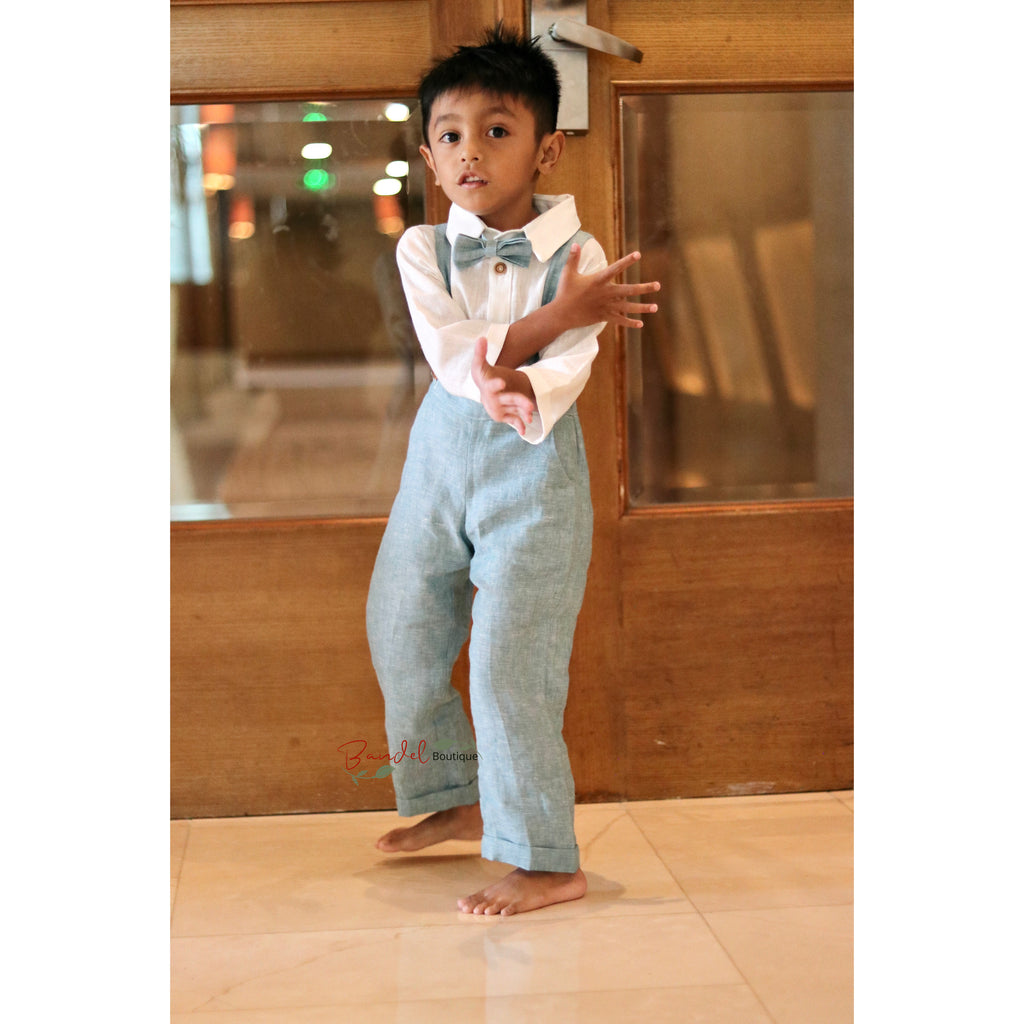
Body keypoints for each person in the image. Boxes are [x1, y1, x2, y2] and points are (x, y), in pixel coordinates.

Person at [365, 24, 659, 916]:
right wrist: (519, 344)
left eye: (496, 131)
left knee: (509, 665)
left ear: (547, 148)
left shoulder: (582, 259)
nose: (469, 152)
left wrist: (522, 368)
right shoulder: (422, 248)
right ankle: (452, 797)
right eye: (450, 135)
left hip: (533, 481)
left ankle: (545, 856)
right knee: (399, 625)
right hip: (438, 471)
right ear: (428, 155)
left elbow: (567, 364)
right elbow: (452, 353)